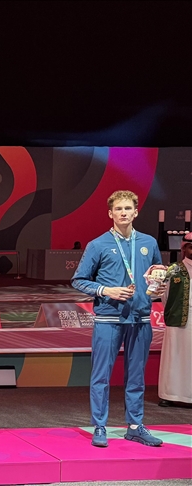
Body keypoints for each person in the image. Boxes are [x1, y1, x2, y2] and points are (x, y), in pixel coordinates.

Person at [71, 190, 163, 448]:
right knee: (101, 375)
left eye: (128, 208)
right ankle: (100, 426)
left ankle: (135, 426)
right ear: (110, 213)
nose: (123, 213)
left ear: (136, 212)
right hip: (108, 319)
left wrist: (159, 287)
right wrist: (106, 290)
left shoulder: (149, 243)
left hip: (140, 318)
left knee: (136, 376)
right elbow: (79, 280)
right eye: (119, 209)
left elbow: (156, 274)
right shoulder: (97, 245)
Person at [158, 231, 191, 407]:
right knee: (175, 356)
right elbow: (164, 295)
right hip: (178, 319)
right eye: (191, 247)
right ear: (184, 249)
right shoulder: (173, 269)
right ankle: (170, 394)